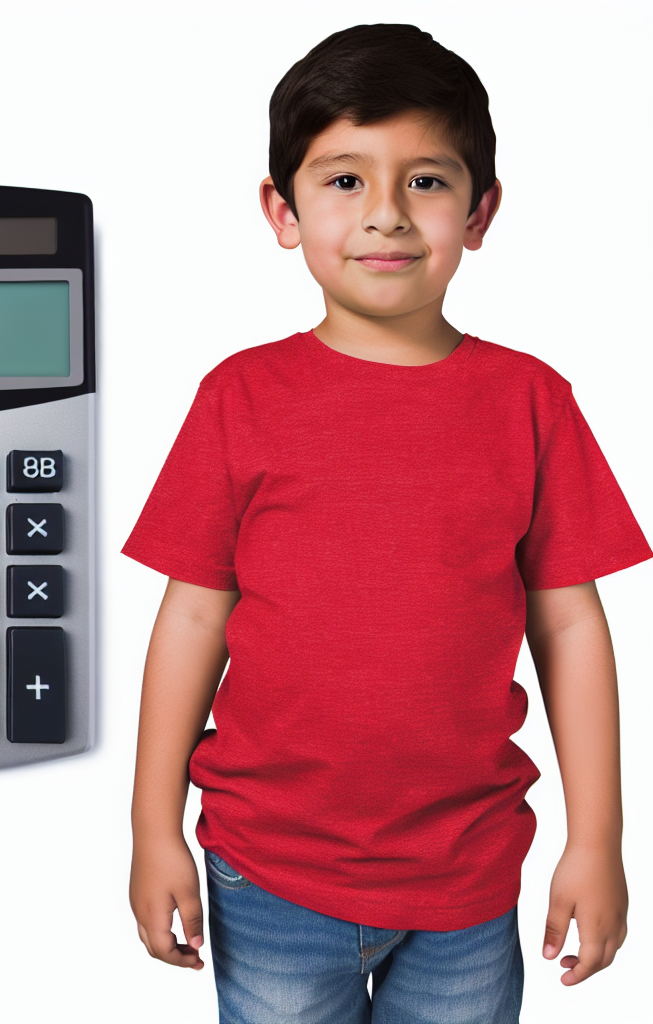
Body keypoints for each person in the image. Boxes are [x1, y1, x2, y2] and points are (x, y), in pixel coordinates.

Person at [122, 23, 651, 1024]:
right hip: (268, 872)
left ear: (479, 210)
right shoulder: (239, 397)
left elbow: (570, 625)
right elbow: (190, 616)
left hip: (466, 875)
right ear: (281, 210)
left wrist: (598, 840)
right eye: (344, 180)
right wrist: (153, 825)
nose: (387, 216)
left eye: (425, 181)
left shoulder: (530, 402)